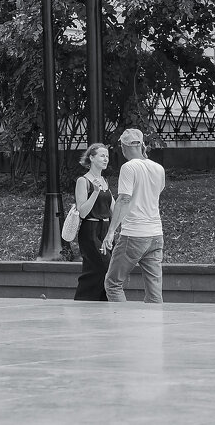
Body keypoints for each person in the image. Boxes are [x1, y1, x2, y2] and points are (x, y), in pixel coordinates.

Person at [103, 129, 165, 303]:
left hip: (134, 234)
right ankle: (154, 326)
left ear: (123, 147)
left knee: (113, 283)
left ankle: (123, 325)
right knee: (154, 292)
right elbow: (156, 194)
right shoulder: (158, 168)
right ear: (141, 144)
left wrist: (111, 231)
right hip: (155, 234)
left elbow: (123, 199)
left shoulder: (129, 167)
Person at [73, 144, 113, 301]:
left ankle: (101, 302)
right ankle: (83, 300)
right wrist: (95, 192)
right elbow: (82, 211)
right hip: (90, 229)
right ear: (91, 157)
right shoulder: (83, 181)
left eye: (107, 156)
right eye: (102, 155)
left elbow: (113, 208)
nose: (106, 159)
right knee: (104, 266)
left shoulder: (104, 180)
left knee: (101, 269)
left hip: (105, 229)